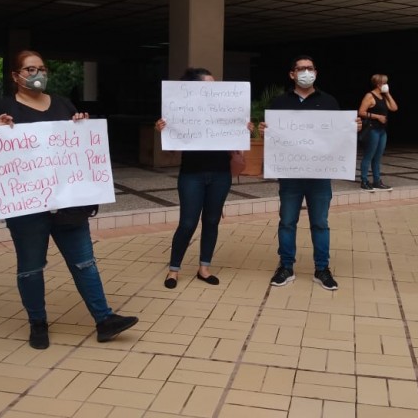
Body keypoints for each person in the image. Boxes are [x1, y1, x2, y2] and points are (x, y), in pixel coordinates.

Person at [0, 50, 137, 349]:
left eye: (41, 68)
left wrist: (82, 125)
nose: (37, 74)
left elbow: (76, 146)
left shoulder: (62, 104)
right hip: (26, 206)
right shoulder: (1, 109)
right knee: (31, 267)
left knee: (85, 263)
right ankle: (38, 323)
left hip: (68, 202)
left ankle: (104, 319)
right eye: (30, 69)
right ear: (15, 76)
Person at [259, 55, 360, 290]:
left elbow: (338, 136)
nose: (306, 72)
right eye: (301, 68)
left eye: (310, 68)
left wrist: (352, 128)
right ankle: (285, 267)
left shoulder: (329, 101)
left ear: (316, 72)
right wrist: (265, 130)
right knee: (287, 222)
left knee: (320, 223)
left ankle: (322, 269)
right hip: (290, 174)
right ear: (292, 74)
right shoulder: (280, 103)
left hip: (319, 176)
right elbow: (272, 134)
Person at [155, 68, 251, 289]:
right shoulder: (179, 111)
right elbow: (169, 153)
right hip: (191, 174)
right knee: (187, 222)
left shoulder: (225, 110)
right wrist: (163, 131)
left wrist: (243, 129)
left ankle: (204, 268)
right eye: (209, 85)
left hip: (220, 174)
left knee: (211, 220)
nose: (214, 90)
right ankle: (174, 269)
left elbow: (236, 145)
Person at [357, 74, 399, 191]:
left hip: (382, 130)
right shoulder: (369, 96)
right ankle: (364, 181)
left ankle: (377, 181)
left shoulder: (384, 96)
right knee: (369, 156)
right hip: (372, 129)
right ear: (378, 84)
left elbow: (394, 108)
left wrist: (388, 94)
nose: (386, 85)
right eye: (384, 83)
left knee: (378, 157)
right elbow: (361, 112)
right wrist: (377, 117)